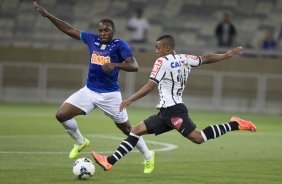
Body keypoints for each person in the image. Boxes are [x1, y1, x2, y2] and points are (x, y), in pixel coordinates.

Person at [92, 35, 257, 172]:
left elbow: (150, 85)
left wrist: (129, 100)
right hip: (166, 111)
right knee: (136, 131)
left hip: (173, 111)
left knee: (198, 138)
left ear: (168, 49)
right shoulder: (185, 58)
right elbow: (205, 58)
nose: (156, 51)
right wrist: (226, 55)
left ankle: (235, 124)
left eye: (158, 48)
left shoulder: (161, 62)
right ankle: (110, 161)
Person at [33, 2, 155, 174]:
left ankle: (148, 156)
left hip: (110, 96)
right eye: (101, 30)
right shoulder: (92, 39)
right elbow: (69, 30)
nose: (103, 33)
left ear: (113, 31)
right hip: (89, 91)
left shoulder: (120, 45)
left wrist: (115, 64)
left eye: (106, 30)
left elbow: (134, 66)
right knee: (61, 115)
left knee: (128, 129)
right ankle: (80, 141)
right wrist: (48, 15)